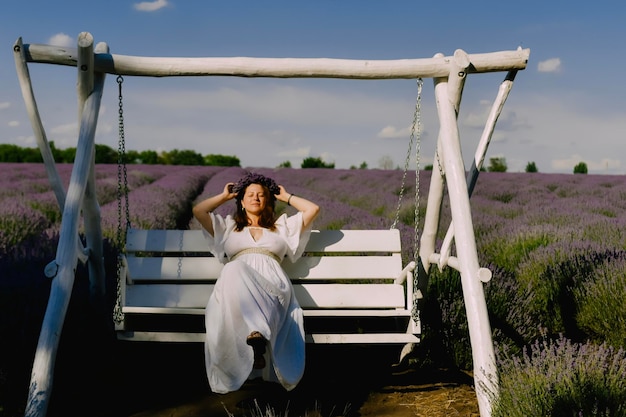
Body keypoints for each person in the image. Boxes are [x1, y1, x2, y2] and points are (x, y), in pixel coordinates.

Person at [192, 171, 320, 394]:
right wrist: (224, 196)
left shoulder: (282, 227)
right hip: (235, 291)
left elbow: (312, 210)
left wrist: (286, 196)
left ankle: (256, 334)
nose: (256, 198)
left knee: (234, 268)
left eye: (261, 195)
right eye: (250, 194)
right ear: (241, 201)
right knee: (234, 268)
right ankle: (257, 335)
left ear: (268, 200)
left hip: (272, 288)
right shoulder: (228, 227)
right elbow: (199, 211)